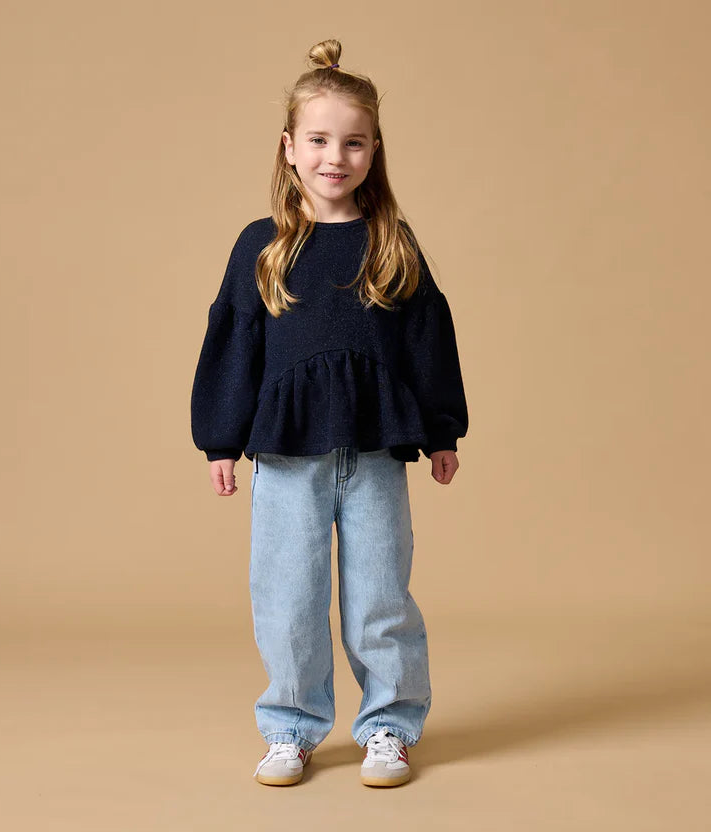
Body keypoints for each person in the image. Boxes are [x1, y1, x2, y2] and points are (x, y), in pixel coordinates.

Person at [190, 38, 468, 788]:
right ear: (289, 147)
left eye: (353, 142)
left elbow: (427, 340)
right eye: (317, 140)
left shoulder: (391, 243)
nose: (334, 157)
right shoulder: (263, 246)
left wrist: (442, 429)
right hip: (286, 456)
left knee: (380, 598)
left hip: (374, 451)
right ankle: (290, 728)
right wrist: (220, 440)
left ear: (374, 150)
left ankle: (389, 727)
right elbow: (235, 342)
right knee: (287, 598)